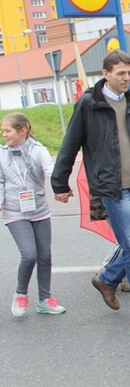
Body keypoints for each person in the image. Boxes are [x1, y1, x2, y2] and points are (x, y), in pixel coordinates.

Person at [51, 50, 130, 326]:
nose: (127, 78)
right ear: (106, 74)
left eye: (129, 73)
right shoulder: (89, 104)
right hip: (112, 188)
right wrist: (60, 182)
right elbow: (70, 144)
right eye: (121, 74)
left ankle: (106, 279)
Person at [0, 113, 65, 317]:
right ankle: (20, 294)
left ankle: (44, 300)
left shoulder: (38, 151)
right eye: (3, 131)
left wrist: (60, 188)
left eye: (7, 130)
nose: (4, 134)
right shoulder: (2, 154)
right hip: (14, 210)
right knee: (30, 255)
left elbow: (50, 170)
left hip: (39, 210)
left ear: (22, 130)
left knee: (45, 256)